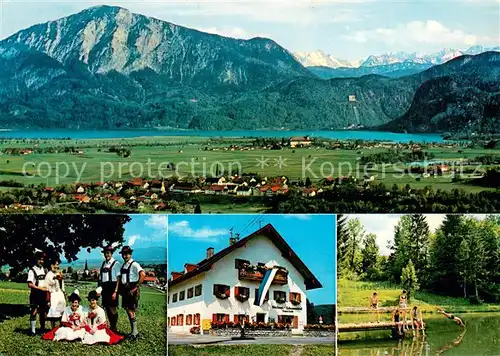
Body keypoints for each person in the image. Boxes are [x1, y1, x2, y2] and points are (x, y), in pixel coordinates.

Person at [118, 246, 145, 340]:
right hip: (125, 290)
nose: (125, 256)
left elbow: (142, 274)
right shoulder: (124, 265)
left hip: (132, 289)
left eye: (127, 254)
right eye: (123, 254)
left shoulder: (134, 264)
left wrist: (136, 287)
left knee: (131, 310)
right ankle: (133, 331)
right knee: (128, 310)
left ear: (130, 254)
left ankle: (135, 332)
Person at [98, 245, 121, 332]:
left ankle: (114, 326)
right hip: (105, 287)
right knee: (106, 307)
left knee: (113, 308)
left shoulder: (116, 264)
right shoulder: (104, 263)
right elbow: (101, 278)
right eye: (105, 253)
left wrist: (115, 291)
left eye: (108, 253)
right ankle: (111, 326)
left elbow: (118, 279)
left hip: (112, 287)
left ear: (111, 253)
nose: (106, 255)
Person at [27, 251, 49, 336]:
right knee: (34, 311)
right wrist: (40, 288)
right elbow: (29, 284)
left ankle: (42, 328)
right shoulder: (32, 270)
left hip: (43, 294)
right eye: (40, 260)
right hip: (35, 294)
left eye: (42, 260)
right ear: (36, 260)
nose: (42, 261)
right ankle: (33, 330)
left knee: (43, 311)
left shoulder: (45, 270)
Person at [45, 257, 66, 329]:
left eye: (57, 265)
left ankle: (61, 326)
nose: (57, 267)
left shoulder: (58, 273)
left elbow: (62, 284)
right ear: (51, 265)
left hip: (60, 294)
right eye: (55, 265)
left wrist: (63, 291)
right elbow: (49, 286)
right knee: (53, 311)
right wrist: (56, 278)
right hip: (53, 294)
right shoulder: (49, 275)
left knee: (61, 310)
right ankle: (53, 328)